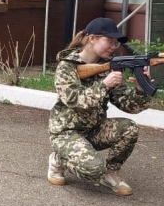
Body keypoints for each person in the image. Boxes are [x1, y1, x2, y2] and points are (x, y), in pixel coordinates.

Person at [47, 17, 153, 196]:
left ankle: (110, 172)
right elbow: (75, 101)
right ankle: (59, 157)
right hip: (66, 133)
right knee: (93, 171)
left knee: (129, 128)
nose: (114, 46)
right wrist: (104, 85)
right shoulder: (68, 66)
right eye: (109, 41)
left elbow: (126, 104)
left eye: (115, 43)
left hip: (93, 130)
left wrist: (141, 90)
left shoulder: (110, 67)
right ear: (92, 38)